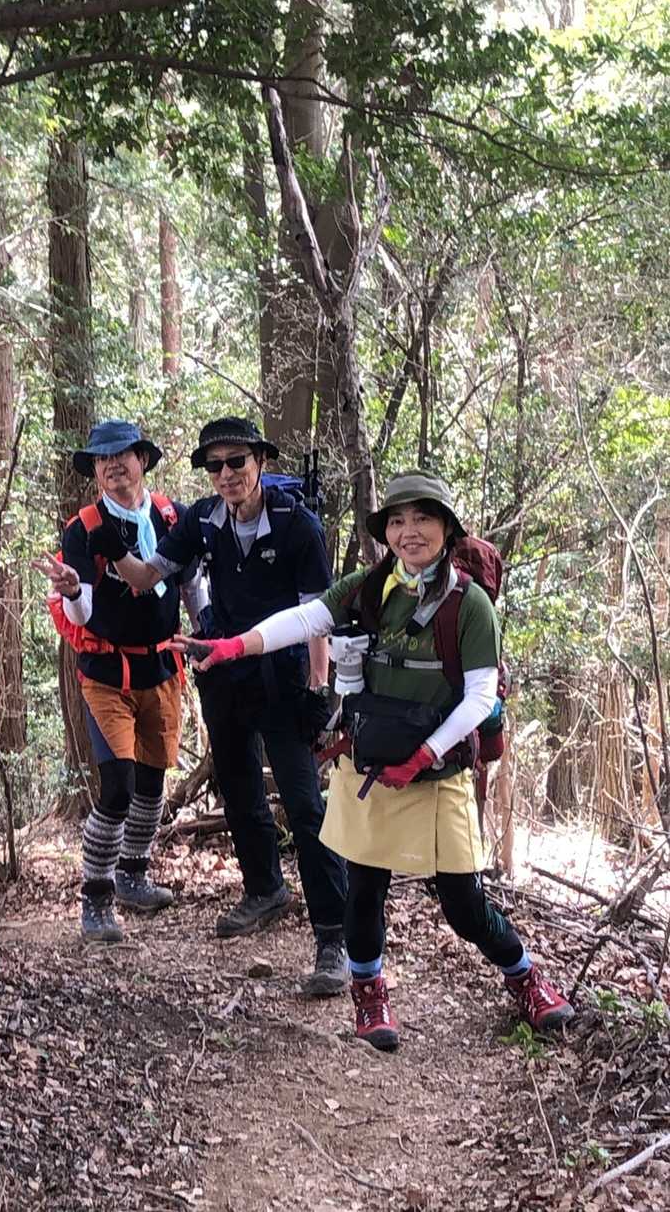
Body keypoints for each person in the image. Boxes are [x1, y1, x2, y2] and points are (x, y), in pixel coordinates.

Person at [178, 469, 575, 1050]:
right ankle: (369, 996)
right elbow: (304, 620)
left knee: (464, 903)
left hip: (436, 772)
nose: (409, 531)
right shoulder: (367, 588)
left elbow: (480, 697)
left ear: (447, 528)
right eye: (398, 520)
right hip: (368, 768)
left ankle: (526, 979)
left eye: (423, 519)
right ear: (385, 531)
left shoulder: (469, 604)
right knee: (364, 890)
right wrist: (235, 645)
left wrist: (423, 755)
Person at [97, 416, 349, 997]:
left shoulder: (298, 526)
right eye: (215, 465)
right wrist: (108, 546)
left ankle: (334, 937)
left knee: (305, 805)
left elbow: (320, 618)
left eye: (237, 461)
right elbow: (147, 577)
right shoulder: (202, 521)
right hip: (224, 672)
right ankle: (264, 889)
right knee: (238, 789)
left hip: (284, 679)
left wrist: (320, 691)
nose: (227, 474)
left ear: (260, 461)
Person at [35, 419, 206, 945]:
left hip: (162, 667)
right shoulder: (83, 529)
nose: (112, 466)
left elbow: (190, 586)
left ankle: (134, 874)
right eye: (101, 460)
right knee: (117, 788)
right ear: (94, 471)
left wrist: (208, 638)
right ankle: (96, 896)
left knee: (152, 782)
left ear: (142, 461)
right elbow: (82, 613)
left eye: (121, 456)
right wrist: (71, 589)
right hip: (107, 673)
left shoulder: (171, 516)